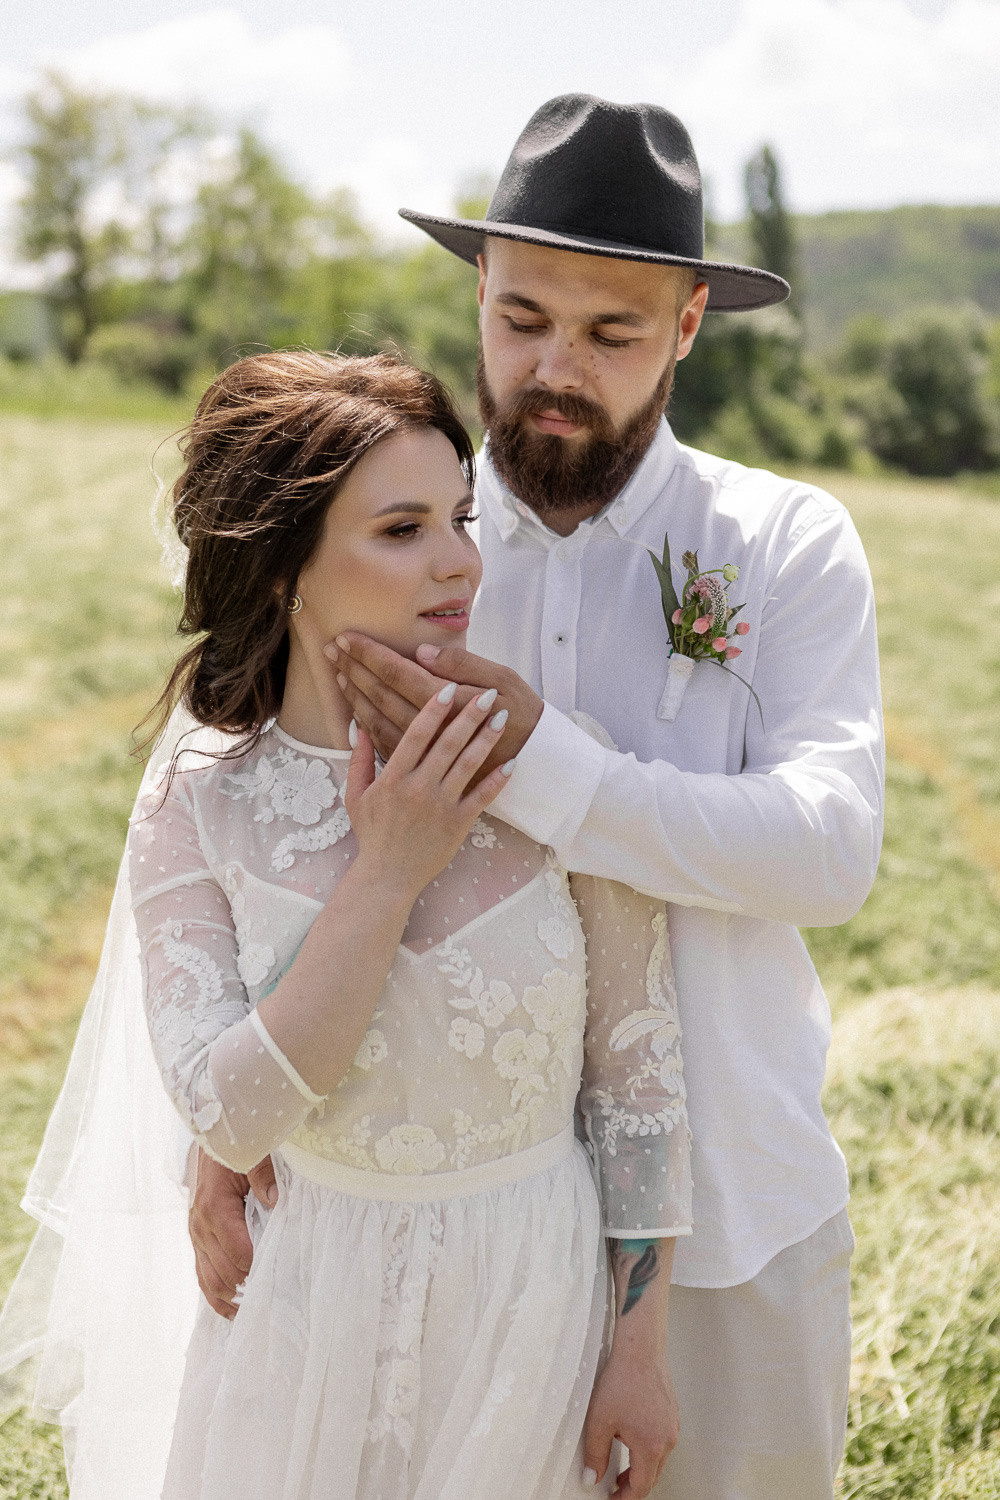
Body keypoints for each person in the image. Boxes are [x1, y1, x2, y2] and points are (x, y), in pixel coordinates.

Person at [196, 96, 883, 1498]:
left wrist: (545, 765)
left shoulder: (784, 544)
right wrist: (217, 1129)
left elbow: (832, 854)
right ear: (480, 296)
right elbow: (269, 821)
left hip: (740, 1214)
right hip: (437, 1224)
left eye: (611, 332)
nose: (552, 368)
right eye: (520, 320)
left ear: (689, 324)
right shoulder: (399, 540)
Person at [0, 348, 693, 1500]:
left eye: (460, 518)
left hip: (530, 1309)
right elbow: (230, 1111)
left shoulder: (548, 771)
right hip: (306, 1318)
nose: (459, 561)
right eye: (401, 528)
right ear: (287, 570)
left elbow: (637, 1084)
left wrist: (638, 1349)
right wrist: (387, 871)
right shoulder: (202, 807)